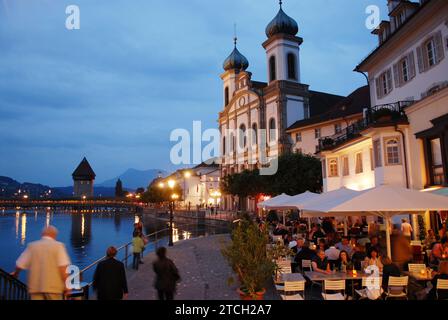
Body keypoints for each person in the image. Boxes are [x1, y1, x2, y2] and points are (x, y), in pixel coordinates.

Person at [11, 226, 70, 300]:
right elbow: (63, 268)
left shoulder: (32, 246)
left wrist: (16, 273)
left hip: (35, 288)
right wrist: (67, 285)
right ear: (55, 235)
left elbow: (19, 265)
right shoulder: (59, 246)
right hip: (53, 288)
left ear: (42, 234)